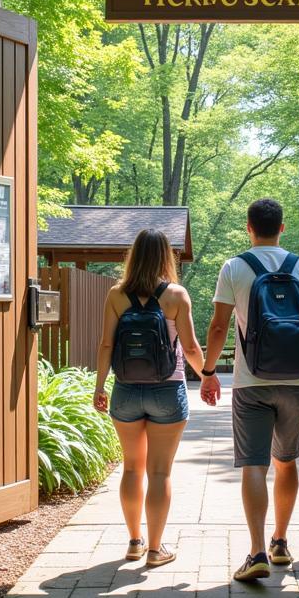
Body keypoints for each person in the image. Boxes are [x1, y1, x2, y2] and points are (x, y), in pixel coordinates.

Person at [205, 198, 299, 582]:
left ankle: (256, 551)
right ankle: (281, 541)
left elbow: (219, 327)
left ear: (248, 227)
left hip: (251, 381)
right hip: (296, 382)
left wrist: (209, 372)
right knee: (286, 461)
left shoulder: (235, 267)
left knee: (254, 464)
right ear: (283, 227)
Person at [93, 229, 221, 567]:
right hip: (168, 389)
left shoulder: (117, 295)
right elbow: (191, 347)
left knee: (132, 468)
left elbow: (106, 344)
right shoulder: (177, 295)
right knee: (160, 472)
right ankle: (154, 549)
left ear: (134, 256)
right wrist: (208, 377)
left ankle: (133, 542)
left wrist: (99, 386)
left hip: (126, 391)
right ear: (167, 256)